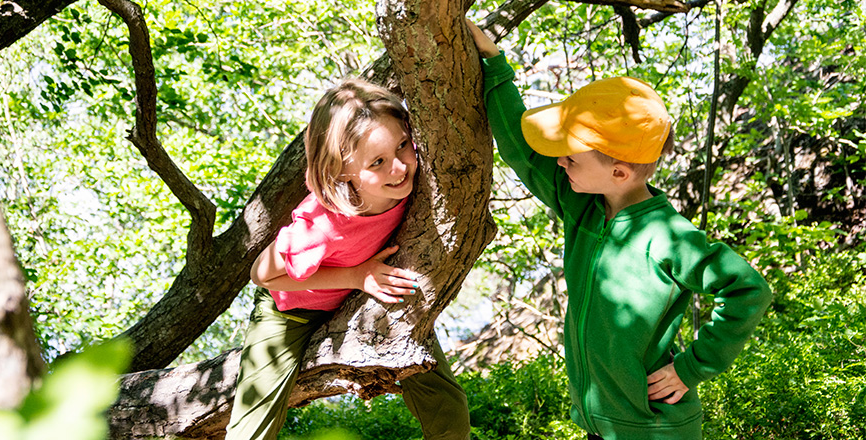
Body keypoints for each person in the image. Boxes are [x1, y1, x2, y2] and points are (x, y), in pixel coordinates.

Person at [466, 20, 772, 440]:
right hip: (599, 424)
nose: (559, 162)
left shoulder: (668, 236)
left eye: (570, 158)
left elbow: (749, 290)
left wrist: (691, 366)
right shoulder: (582, 206)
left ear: (619, 171)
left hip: (653, 430)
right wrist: (494, 65)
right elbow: (521, 151)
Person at [226, 78, 470, 440]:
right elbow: (261, 274)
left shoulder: (418, 182)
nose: (400, 168)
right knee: (252, 429)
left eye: (403, 145)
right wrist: (355, 275)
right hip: (292, 306)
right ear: (342, 171)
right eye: (378, 162)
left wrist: (362, 281)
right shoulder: (322, 224)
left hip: (366, 295)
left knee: (449, 410)